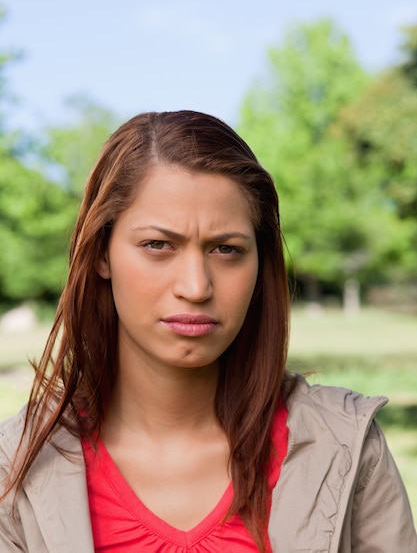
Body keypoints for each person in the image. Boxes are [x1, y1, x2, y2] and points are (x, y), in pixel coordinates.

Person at [0, 110, 415, 553]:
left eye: (226, 249)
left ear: (261, 262)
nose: (196, 287)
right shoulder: (15, 470)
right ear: (102, 254)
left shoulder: (346, 447)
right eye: (158, 245)